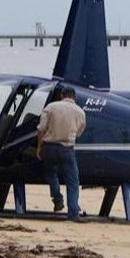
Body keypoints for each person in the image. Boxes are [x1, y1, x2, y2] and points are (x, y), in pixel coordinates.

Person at [36, 86, 86, 221]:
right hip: (67, 149)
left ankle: (58, 199)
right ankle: (73, 213)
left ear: (62, 95)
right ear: (74, 97)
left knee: (50, 173)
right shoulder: (80, 112)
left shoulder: (50, 107)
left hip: (49, 147)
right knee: (73, 181)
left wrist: (39, 147)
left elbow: (41, 129)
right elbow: (79, 132)